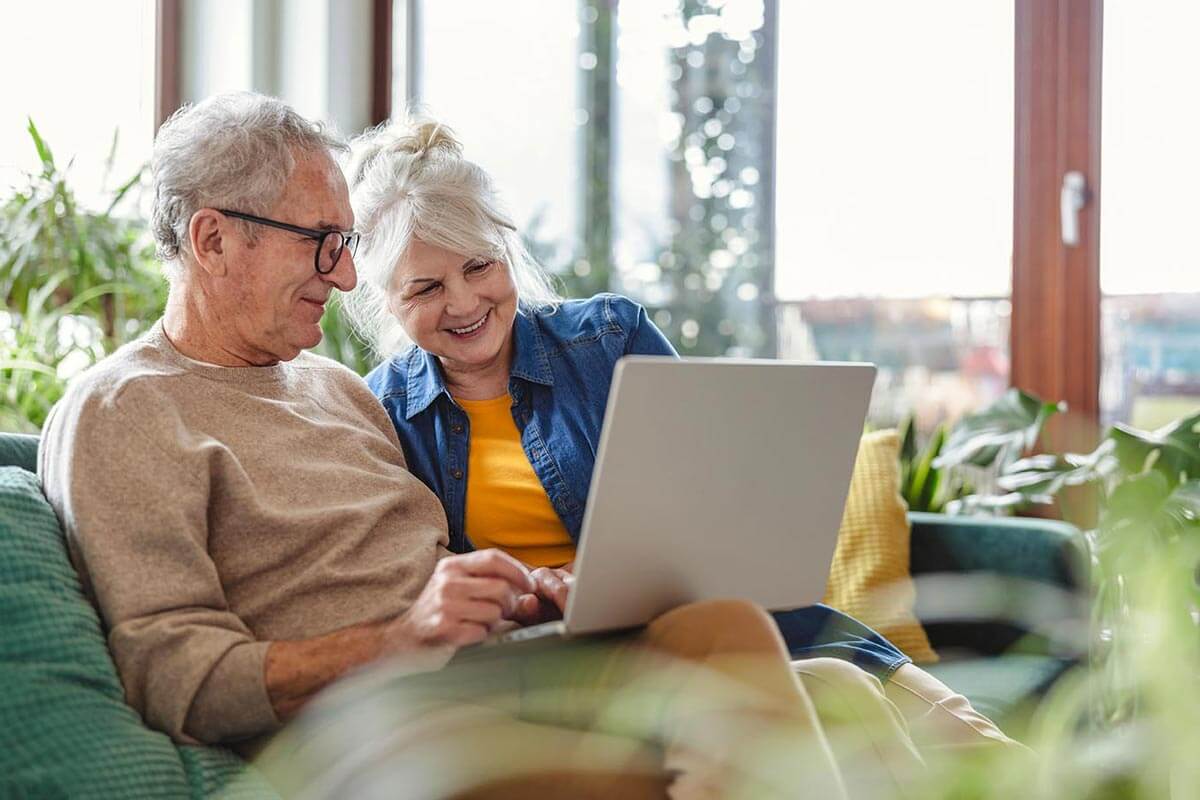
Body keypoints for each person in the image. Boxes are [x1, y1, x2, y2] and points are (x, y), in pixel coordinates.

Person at [36, 92, 931, 799]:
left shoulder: (336, 392)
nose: (347, 277)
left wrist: (516, 593)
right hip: (373, 729)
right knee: (771, 690)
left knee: (830, 687)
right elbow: (174, 675)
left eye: (344, 244)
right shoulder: (124, 411)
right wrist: (400, 635)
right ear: (213, 237)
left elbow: (424, 566)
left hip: (492, 674)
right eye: (322, 245)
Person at [343, 117, 1020, 760]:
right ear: (384, 300)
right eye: (427, 287)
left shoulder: (609, 339)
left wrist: (604, 575)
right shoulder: (382, 412)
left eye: (480, 266)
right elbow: (420, 596)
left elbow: (714, 512)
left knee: (977, 748)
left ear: (509, 253)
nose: (463, 303)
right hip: (573, 662)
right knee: (849, 707)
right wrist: (526, 597)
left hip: (731, 621)